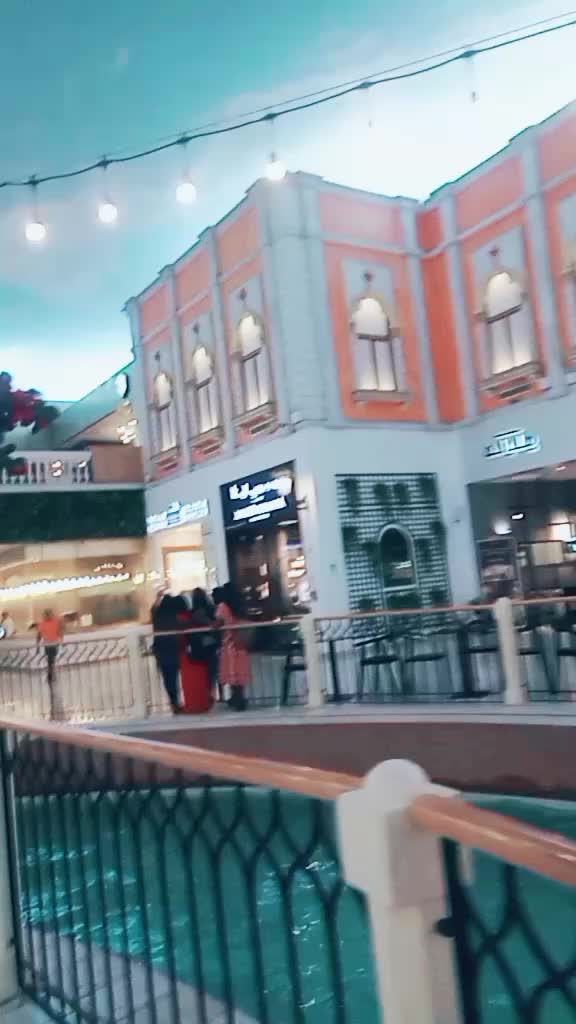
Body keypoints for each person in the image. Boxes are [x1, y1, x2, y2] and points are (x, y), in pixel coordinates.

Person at [180, 588, 218, 714]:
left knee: (204, 675)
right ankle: (212, 695)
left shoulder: (192, 613)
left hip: (198, 647)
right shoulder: (211, 610)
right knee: (212, 672)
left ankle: (205, 696)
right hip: (211, 645)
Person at [215, 583, 251, 711]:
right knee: (239, 675)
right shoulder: (241, 606)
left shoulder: (223, 607)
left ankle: (236, 700)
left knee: (232, 674)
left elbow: (218, 623)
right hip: (241, 644)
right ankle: (240, 699)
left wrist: (211, 625)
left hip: (229, 644)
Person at [151, 594, 182, 713]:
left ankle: (173, 702)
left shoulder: (157, 616)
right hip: (172, 649)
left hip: (160, 650)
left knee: (167, 678)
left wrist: (158, 597)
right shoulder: (174, 617)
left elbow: (153, 608)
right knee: (173, 678)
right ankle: (176, 703)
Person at [36, 610, 64, 716]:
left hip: (50, 643)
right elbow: (59, 632)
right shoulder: (50, 622)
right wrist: (61, 640)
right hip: (51, 643)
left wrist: (37, 645)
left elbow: (39, 634)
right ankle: (51, 671)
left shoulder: (47, 622)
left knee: (51, 658)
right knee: (51, 658)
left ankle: (50, 671)